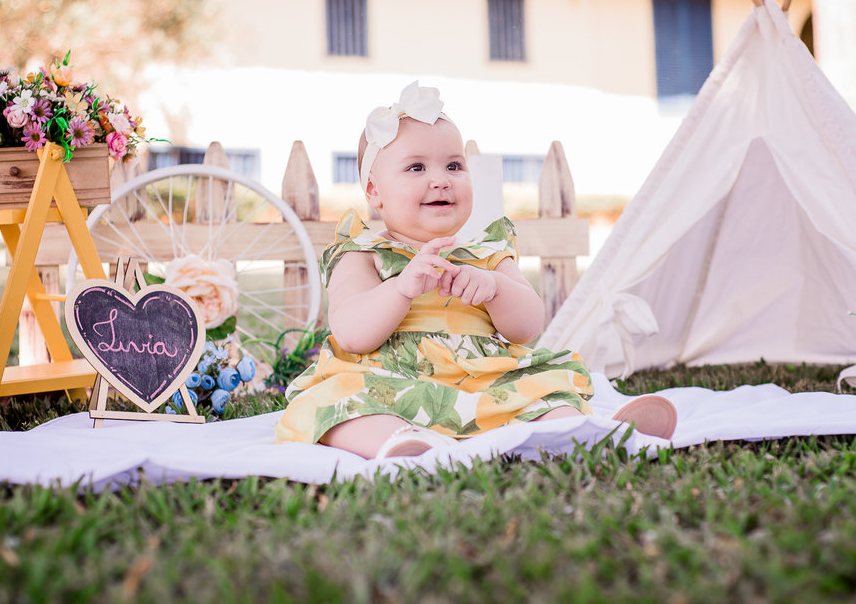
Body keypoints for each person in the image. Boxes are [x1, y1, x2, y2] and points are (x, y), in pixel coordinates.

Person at [274, 82, 676, 458]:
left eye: (453, 166)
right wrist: (401, 288)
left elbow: (527, 327)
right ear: (374, 191)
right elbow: (351, 331)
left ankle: (584, 431)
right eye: (416, 168)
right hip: (394, 382)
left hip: (483, 380)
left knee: (541, 393)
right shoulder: (364, 253)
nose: (440, 181)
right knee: (335, 403)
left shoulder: (486, 251)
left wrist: (496, 288)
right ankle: (403, 441)